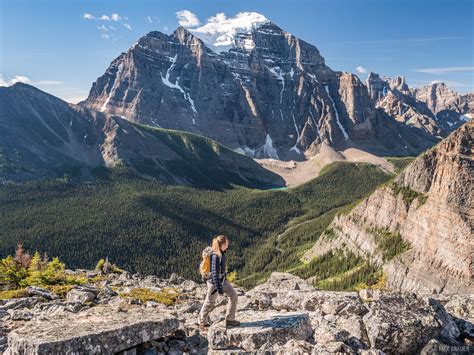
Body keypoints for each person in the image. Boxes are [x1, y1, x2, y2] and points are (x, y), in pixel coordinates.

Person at [199, 235, 240, 330]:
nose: (228, 244)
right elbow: (214, 274)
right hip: (214, 283)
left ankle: (230, 320)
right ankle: (202, 321)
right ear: (223, 244)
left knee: (233, 295)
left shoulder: (221, 252)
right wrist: (219, 289)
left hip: (222, 280)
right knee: (210, 302)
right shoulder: (216, 257)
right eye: (227, 242)